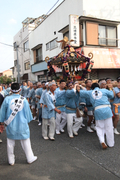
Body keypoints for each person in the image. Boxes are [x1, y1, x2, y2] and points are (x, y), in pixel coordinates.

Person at [0, 83, 37, 165]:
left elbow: (2, 112)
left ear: (11, 90)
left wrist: (1, 123)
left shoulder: (7, 99)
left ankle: (11, 161)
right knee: (26, 141)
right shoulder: (23, 99)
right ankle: (30, 158)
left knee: (10, 143)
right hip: (22, 124)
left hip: (11, 124)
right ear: (20, 90)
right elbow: (28, 115)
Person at [77, 83, 115, 149]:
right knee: (109, 127)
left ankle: (102, 141)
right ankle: (111, 143)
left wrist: (78, 86)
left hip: (97, 110)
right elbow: (112, 95)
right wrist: (111, 88)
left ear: (92, 88)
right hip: (107, 109)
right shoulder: (104, 90)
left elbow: (80, 92)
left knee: (99, 127)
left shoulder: (90, 92)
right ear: (99, 86)